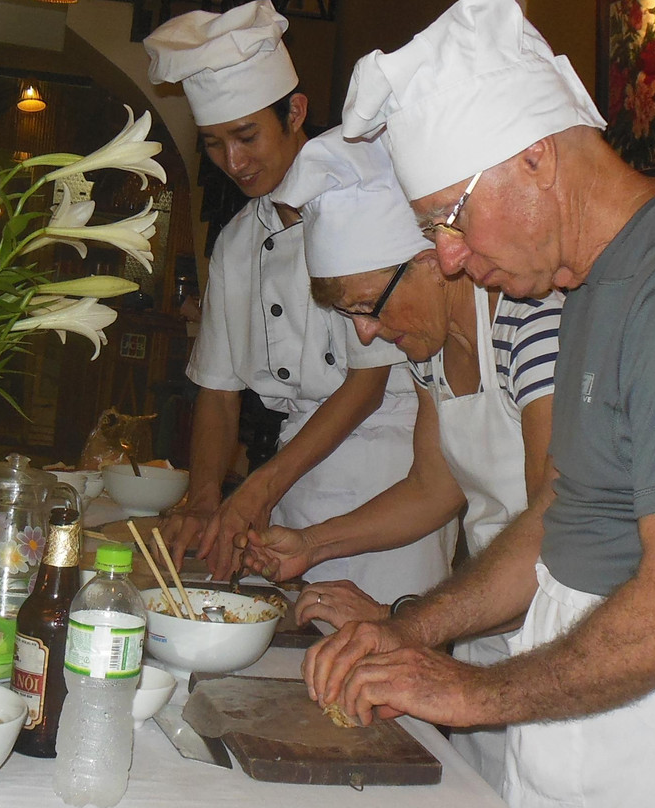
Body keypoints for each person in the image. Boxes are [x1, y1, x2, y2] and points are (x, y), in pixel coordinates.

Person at [303, 2, 655, 807]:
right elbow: (559, 517)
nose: (451, 259)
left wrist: (471, 692)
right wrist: (412, 629)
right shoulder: (598, 285)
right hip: (610, 707)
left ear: (535, 159)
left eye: (449, 222)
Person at [231, 128, 560, 790]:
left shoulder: (528, 322)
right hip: (488, 632)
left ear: (432, 258)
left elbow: (554, 530)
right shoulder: (435, 347)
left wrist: (405, 619)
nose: (365, 334)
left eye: (367, 307)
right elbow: (433, 489)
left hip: (558, 643)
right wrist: (310, 545)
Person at [143, 1, 455, 602]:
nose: (233, 162)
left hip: (393, 481)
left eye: (246, 136)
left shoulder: (364, 206)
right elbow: (218, 387)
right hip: (296, 475)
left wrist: (255, 492)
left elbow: (364, 387)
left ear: (296, 113)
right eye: (213, 144)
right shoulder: (239, 242)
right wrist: (205, 499)